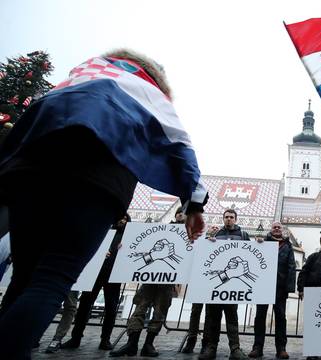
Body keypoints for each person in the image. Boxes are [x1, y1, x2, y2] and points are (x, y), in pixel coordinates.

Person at [0, 49, 207, 358]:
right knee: (52, 277)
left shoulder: (77, 77)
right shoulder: (146, 90)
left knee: (23, 278)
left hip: (30, 175)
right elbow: (178, 144)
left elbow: (25, 124)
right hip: (94, 180)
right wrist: (194, 204)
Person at [110, 210, 186, 357]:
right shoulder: (161, 230)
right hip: (150, 279)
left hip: (167, 281)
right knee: (140, 308)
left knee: (159, 311)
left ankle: (148, 344)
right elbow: (142, 245)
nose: (181, 215)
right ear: (175, 215)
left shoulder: (191, 234)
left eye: (184, 213)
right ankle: (131, 343)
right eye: (179, 212)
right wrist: (124, 246)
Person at [59, 214, 130, 351]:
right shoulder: (104, 231)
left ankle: (105, 339)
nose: (122, 220)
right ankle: (76, 337)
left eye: (126, 219)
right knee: (85, 305)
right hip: (95, 272)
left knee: (111, 308)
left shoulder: (128, 236)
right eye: (121, 218)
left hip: (113, 274)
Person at [199, 209, 249, 360]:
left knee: (232, 318)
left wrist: (260, 243)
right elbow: (204, 254)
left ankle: (235, 349)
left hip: (233, 286)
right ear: (223, 219)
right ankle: (211, 348)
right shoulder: (215, 234)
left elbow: (250, 253)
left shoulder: (243, 235)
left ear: (235, 219)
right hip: (215, 285)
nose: (228, 219)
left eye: (231, 217)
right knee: (213, 318)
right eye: (226, 217)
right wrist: (208, 240)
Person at [249, 222, 296, 359]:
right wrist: (257, 243)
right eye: (274, 227)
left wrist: (289, 288)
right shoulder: (263, 242)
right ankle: (257, 347)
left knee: (280, 318)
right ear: (271, 229)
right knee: (260, 317)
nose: (276, 229)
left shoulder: (288, 246)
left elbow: (291, 267)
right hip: (263, 286)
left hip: (280, 287)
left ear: (282, 230)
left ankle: (281, 348)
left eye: (279, 227)